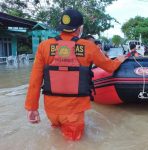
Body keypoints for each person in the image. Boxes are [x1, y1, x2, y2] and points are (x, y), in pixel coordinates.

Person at [25, 9, 127, 141]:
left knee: (55, 138)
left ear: (61, 26)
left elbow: (35, 80)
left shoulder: (44, 46)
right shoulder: (89, 47)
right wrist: (119, 59)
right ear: (80, 29)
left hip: (51, 110)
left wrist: (32, 108)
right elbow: (109, 67)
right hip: (74, 110)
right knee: (72, 143)